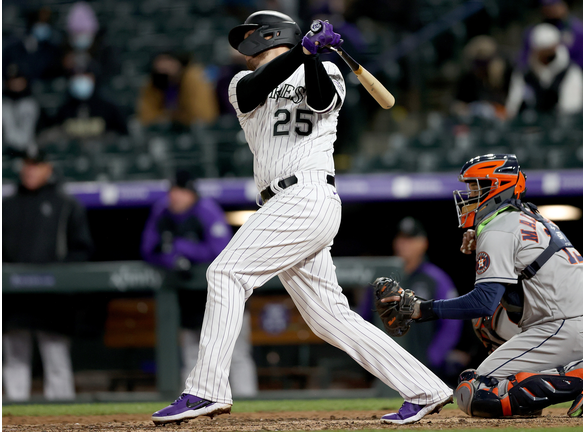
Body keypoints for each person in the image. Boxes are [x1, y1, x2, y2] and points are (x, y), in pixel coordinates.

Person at [151, 11, 454, 426]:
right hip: (282, 202)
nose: (243, 46)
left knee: (225, 273)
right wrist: (303, 51)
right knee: (329, 318)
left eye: (251, 35)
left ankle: (206, 390)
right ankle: (426, 388)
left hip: (306, 194)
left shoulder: (327, 67)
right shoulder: (242, 83)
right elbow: (259, 88)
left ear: (271, 34)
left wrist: (310, 55)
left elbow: (320, 100)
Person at [376, 154, 583, 419]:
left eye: (478, 187)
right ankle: (528, 394)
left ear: (500, 187)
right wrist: (479, 236)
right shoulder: (524, 214)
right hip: (578, 318)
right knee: (486, 322)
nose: (470, 195)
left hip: (567, 323)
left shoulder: (499, 228)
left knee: (476, 392)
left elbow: (483, 301)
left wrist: (423, 308)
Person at [140, 170, 257, 397]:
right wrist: (171, 259)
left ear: (191, 194)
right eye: (173, 191)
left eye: (181, 192)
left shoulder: (206, 210)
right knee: (192, 355)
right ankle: (194, 403)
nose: (176, 196)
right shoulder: (162, 212)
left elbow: (221, 251)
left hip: (225, 295)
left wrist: (183, 249)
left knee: (237, 353)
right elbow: (148, 249)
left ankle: (250, 408)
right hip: (190, 299)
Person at [2, 146, 94, 401]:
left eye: (36, 164)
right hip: (15, 297)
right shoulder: (6, 205)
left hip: (52, 298)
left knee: (56, 361)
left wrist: (59, 276)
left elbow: (82, 250)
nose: (30, 170)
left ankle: (64, 421)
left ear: (48, 169)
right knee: (14, 359)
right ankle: (12, 419)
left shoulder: (65, 204)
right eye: (27, 164)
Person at [358, 217, 464, 379]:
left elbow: (452, 323)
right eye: (401, 239)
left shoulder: (436, 279)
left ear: (423, 243)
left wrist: (432, 358)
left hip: (424, 364)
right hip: (386, 365)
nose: (404, 244)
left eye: (410, 239)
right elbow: (364, 318)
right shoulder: (382, 279)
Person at [505, 23, 583, 119]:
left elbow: (571, 109)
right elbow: (512, 107)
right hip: (530, 126)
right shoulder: (524, 73)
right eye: (542, 50)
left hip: (560, 126)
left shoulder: (571, 72)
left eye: (550, 48)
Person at [136, 52, 219, 129]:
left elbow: (204, 115)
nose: (166, 69)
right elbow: (146, 117)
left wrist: (178, 116)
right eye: (161, 70)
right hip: (168, 128)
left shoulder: (192, 76)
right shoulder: (155, 82)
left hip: (192, 127)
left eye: (169, 63)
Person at [45, 63, 128, 139]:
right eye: (77, 75)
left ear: (94, 78)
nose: (81, 79)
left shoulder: (109, 109)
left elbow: (122, 136)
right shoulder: (63, 110)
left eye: (86, 74)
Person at [518, 0, 583, 70]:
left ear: (564, 6)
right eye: (547, 6)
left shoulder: (580, 31)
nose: (550, 10)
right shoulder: (533, 32)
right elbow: (524, 61)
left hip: (571, 77)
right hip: (538, 78)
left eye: (553, 5)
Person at [452, 35, 513, 121]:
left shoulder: (506, 74)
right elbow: (458, 104)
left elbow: (511, 106)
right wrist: (466, 111)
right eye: (477, 63)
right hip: (476, 124)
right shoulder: (468, 78)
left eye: (484, 63)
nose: (480, 69)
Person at [3, 63, 47, 153]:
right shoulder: (3, 104)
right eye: (12, 81)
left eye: (18, 80)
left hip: (31, 151)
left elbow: (42, 129)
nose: (15, 84)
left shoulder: (33, 103)